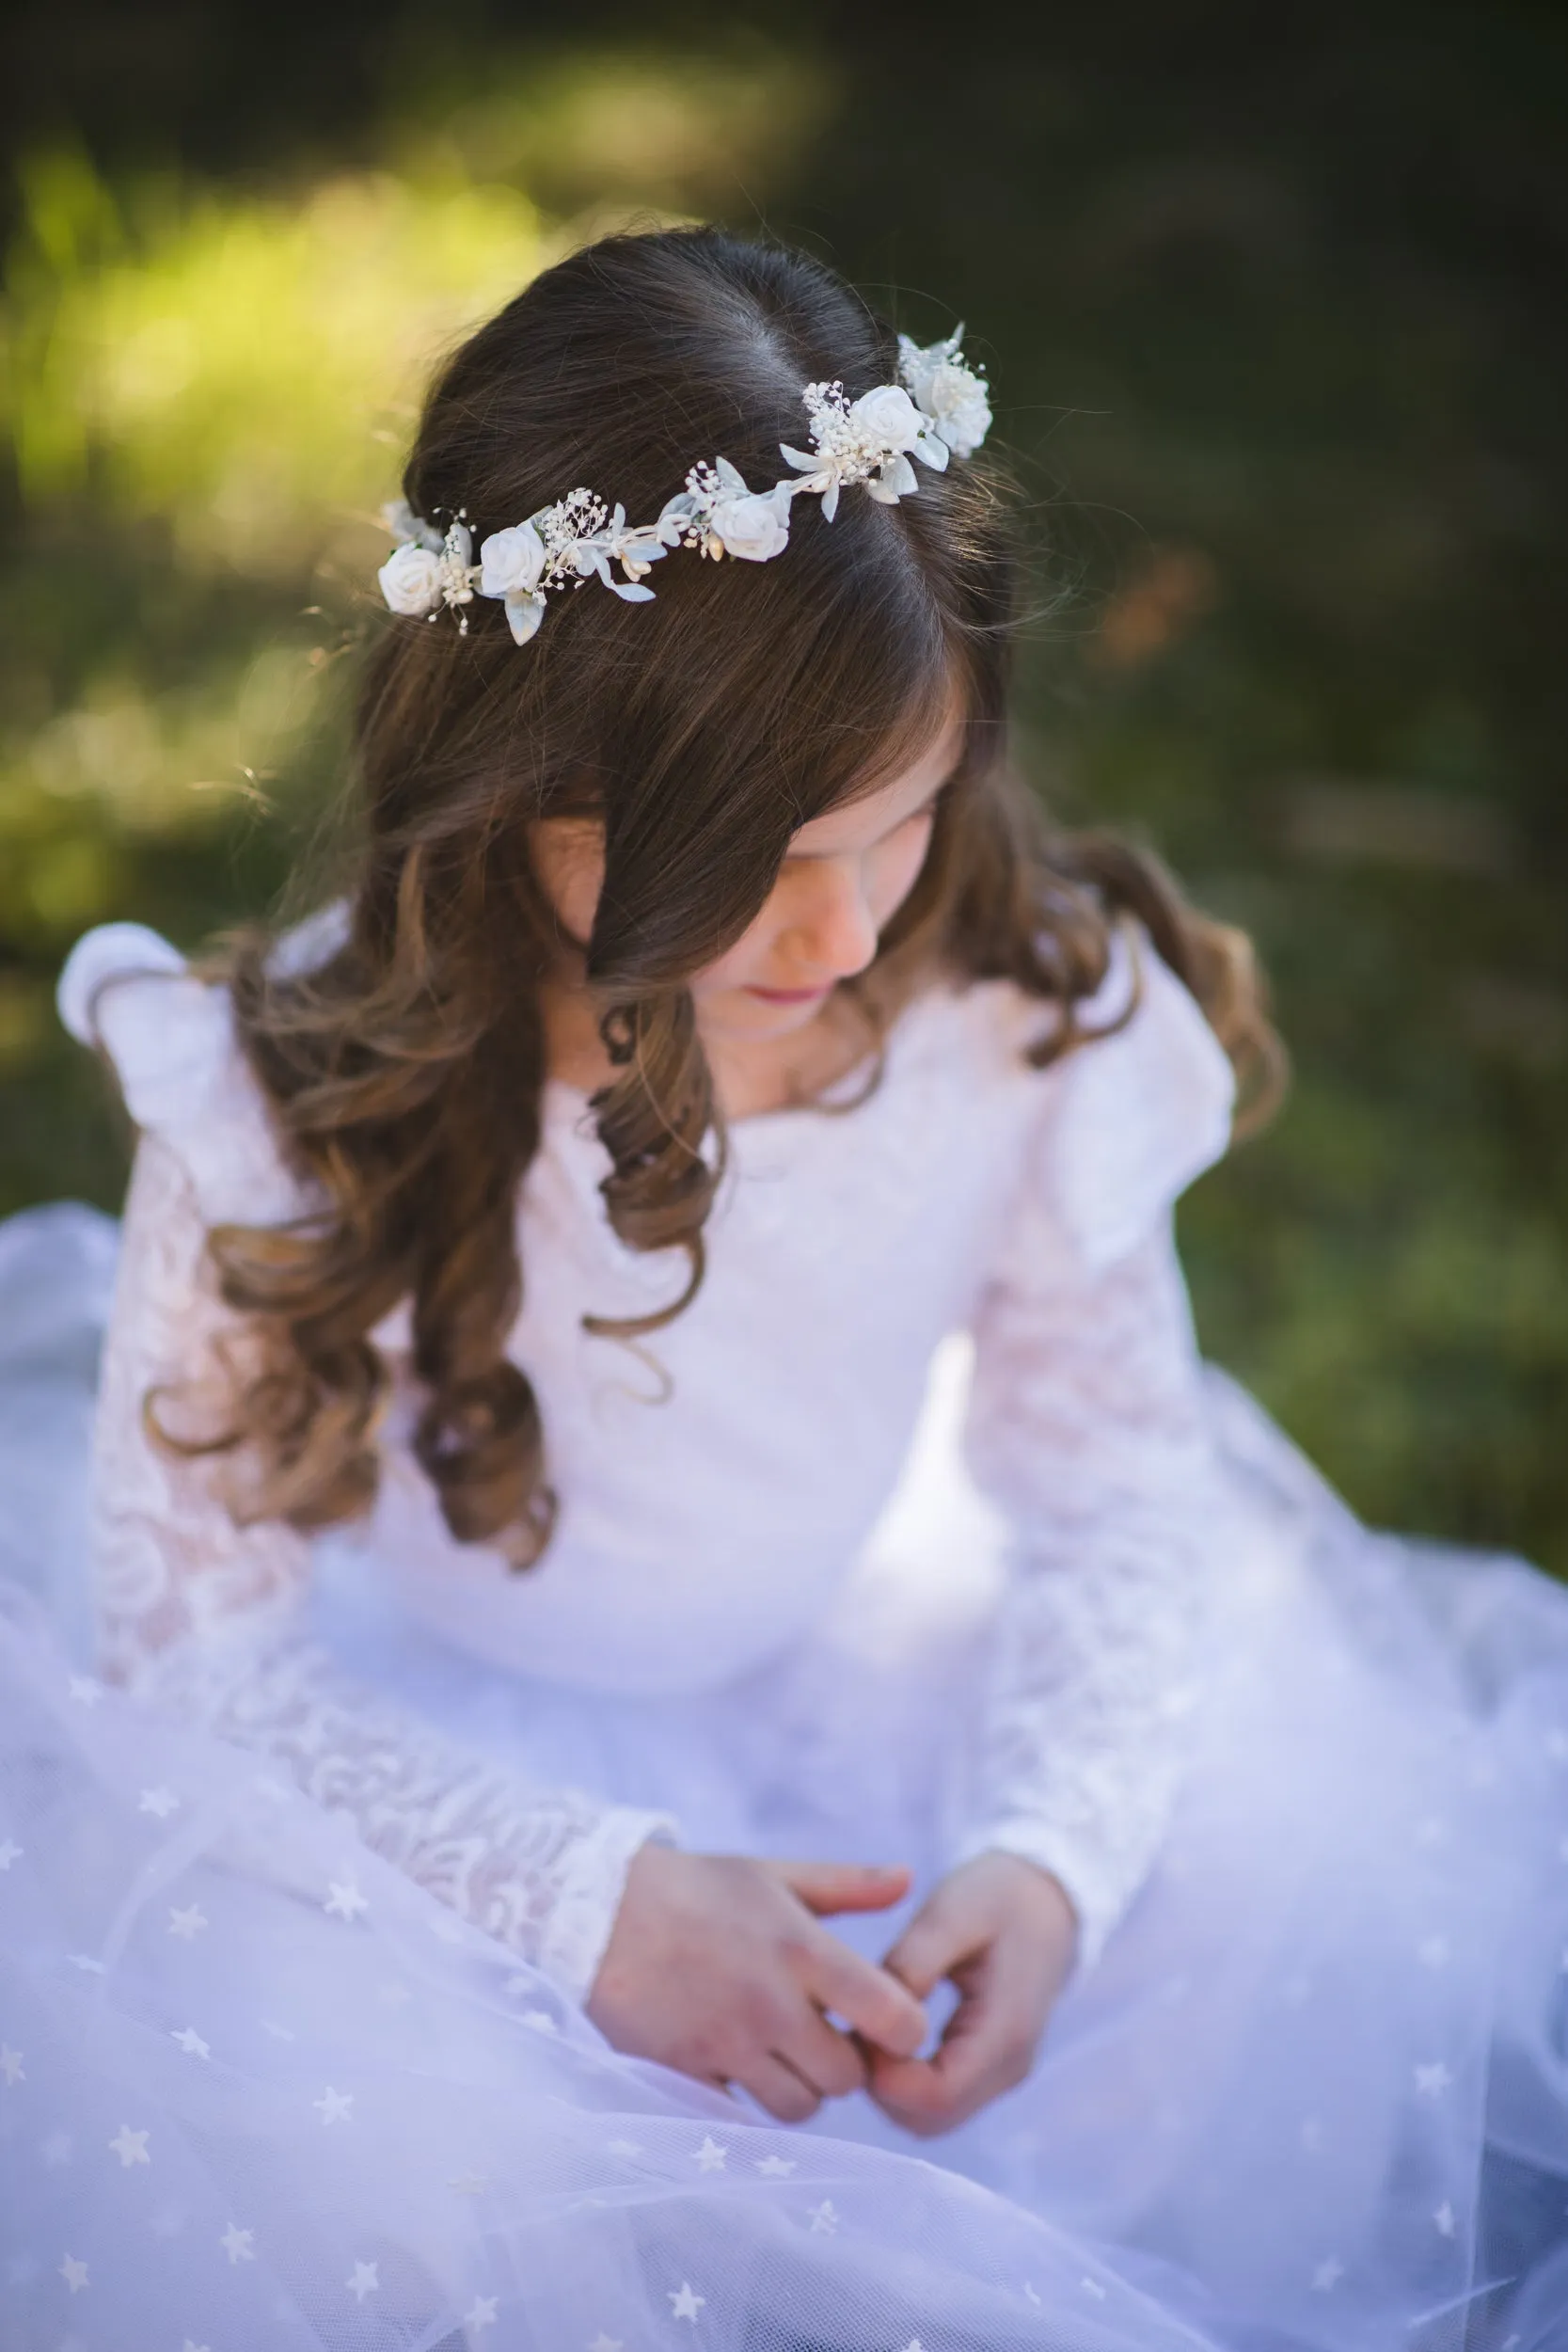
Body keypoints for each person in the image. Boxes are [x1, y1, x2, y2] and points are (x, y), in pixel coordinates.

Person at [0, 225, 1563, 2352]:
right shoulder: (281, 1102)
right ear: (518, 774)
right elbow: (197, 1664)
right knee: (401, 2170)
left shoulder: (1018, 1022)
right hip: (430, 1761)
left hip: (843, 1691)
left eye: (896, 822)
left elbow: (1118, 1488)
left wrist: (1044, 1854)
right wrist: (584, 1898)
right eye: (753, 845)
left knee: (1225, 1933)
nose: (834, 927)